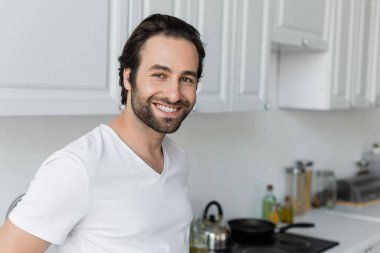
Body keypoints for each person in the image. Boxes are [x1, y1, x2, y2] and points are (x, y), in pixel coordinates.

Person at [0, 13, 206, 253]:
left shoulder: (178, 160)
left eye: (186, 79)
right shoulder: (77, 167)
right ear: (128, 78)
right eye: (159, 75)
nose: (174, 93)